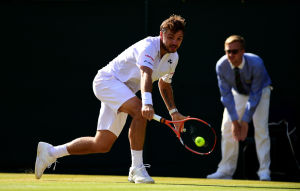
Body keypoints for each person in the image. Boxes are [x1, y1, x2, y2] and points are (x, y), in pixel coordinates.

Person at [34, 14, 186, 184]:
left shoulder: (174, 58)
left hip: (123, 90)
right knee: (139, 110)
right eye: (170, 37)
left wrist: (174, 113)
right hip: (107, 81)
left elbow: (164, 85)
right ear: (161, 34)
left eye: (179, 39)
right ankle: (137, 169)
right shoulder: (149, 46)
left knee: (101, 144)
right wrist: (147, 104)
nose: (174, 42)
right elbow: (146, 74)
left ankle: (50, 152)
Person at [207, 35, 272, 181]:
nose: (230, 55)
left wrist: (245, 121)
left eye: (234, 51)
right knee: (227, 127)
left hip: (261, 91)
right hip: (238, 93)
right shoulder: (221, 65)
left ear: (243, 51)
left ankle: (264, 171)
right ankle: (225, 171)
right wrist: (235, 121)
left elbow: (255, 95)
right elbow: (226, 95)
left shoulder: (256, 63)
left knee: (261, 129)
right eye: (228, 51)